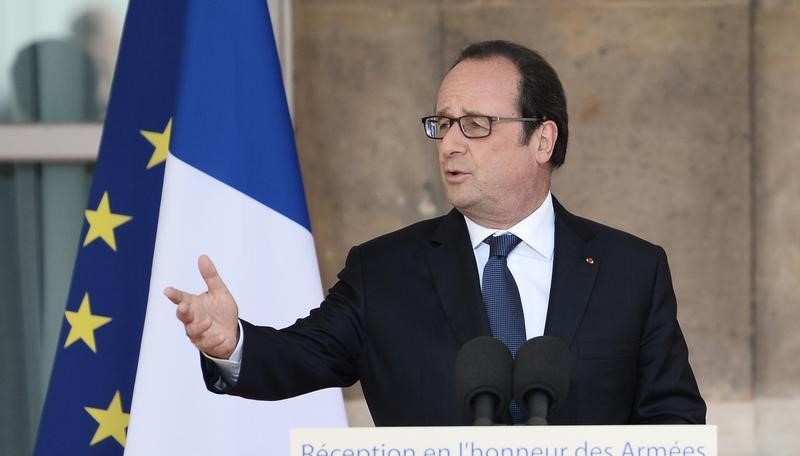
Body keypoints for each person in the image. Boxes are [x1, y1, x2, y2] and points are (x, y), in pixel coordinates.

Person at [164, 40, 705, 426]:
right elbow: (299, 358)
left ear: (542, 140)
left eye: (475, 125)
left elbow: (673, 420)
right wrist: (230, 343)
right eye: (442, 124)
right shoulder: (384, 271)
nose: (449, 144)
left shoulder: (630, 269)